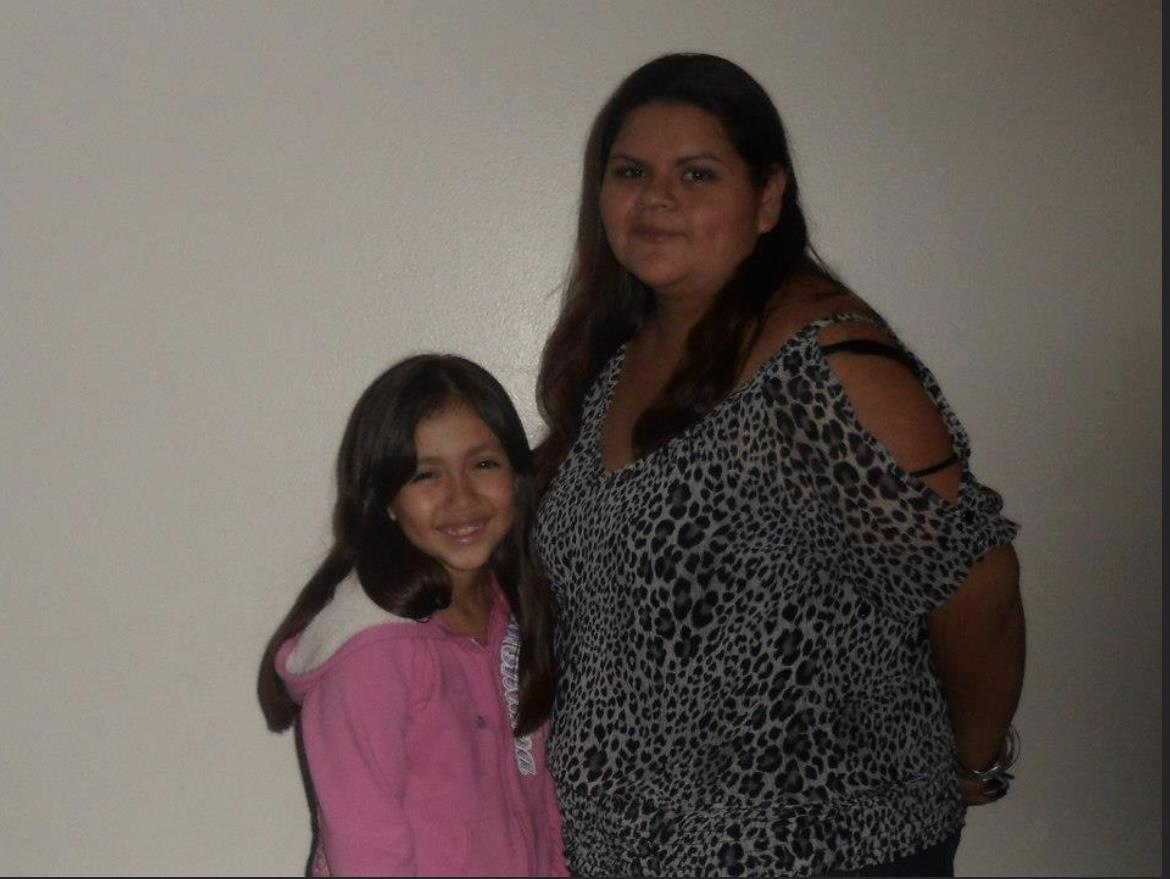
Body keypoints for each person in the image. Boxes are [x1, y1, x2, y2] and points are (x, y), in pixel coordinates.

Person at [533, 53, 1025, 877]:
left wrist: (975, 761)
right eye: (630, 171)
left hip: (815, 848)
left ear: (768, 199)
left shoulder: (825, 368)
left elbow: (978, 585)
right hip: (632, 852)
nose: (656, 197)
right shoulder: (619, 359)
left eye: (697, 172)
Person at [257, 354, 567, 877]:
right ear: (386, 501)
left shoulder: (510, 616)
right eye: (426, 475)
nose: (461, 496)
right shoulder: (373, 651)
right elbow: (367, 850)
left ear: (517, 477)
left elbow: (540, 801)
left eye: (483, 464)